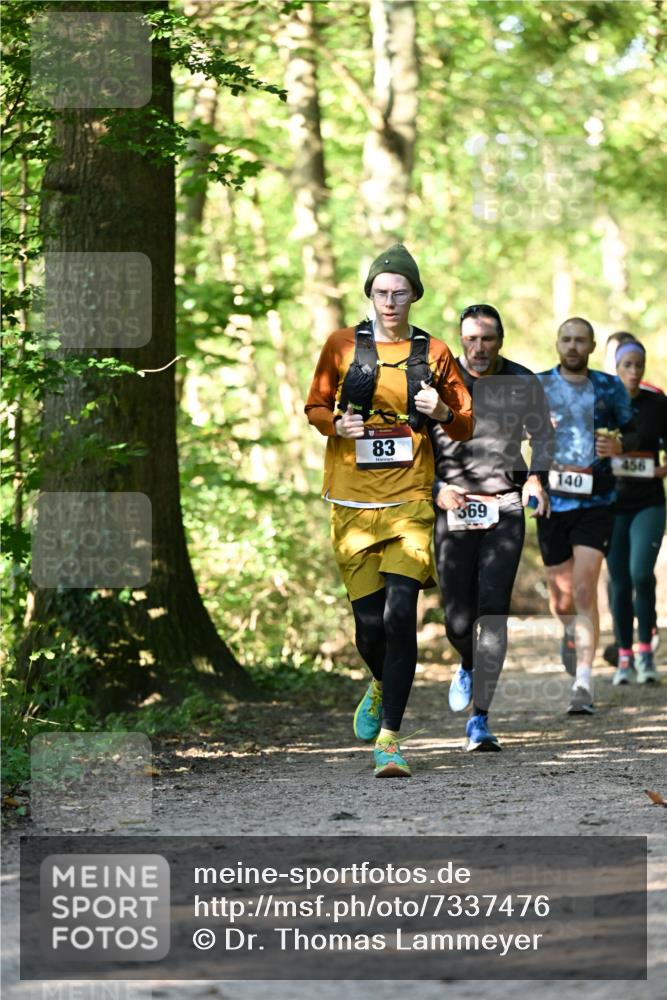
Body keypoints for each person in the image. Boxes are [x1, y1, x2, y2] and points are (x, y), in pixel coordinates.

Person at [304, 245, 473, 777]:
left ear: (415, 294)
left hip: (410, 499)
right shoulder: (340, 345)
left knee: (402, 616)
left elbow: (465, 423)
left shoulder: (435, 351)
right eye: (382, 291)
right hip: (352, 502)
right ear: (370, 295)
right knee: (369, 629)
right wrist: (337, 425)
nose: (391, 301)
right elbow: (314, 406)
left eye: (401, 292)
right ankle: (379, 683)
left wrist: (442, 410)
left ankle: (390, 740)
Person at [430, 304, 552, 751]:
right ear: (461, 339)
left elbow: (543, 436)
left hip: (504, 507)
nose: (478, 348)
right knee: (459, 619)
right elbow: (418, 445)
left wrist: (536, 476)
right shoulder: (438, 382)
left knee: (493, 611)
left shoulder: (522, 381)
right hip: (454, 507)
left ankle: (480, 720)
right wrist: (436, 487)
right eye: (471, 339)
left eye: (487, 339)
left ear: (501, 340)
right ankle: (467, 662)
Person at [537, 317, 638, 714]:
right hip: (551, 501)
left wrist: (618, 445)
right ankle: (570, 634)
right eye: (567, 340)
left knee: (583, 589)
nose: (573, 346)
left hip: (597, 502)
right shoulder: (539, 386)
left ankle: (583, 681)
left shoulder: (610, 386)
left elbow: (632, 431)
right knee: (562, 601)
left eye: (581, 340)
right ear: (557, 343)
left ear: (593, 346)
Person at [607, 339, 667, 684]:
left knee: (641, 574)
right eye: (626, 365)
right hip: (613, 504)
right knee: (619, 581)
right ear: (616, 368)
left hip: (649, 502)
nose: (633, 371)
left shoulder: (657, 404)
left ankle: (646, 653)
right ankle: (624, 658)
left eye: (638, 365)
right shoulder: (604, 404)